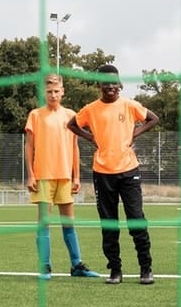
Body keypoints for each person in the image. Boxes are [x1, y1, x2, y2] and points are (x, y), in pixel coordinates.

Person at [68, 65, 159, 285]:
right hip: (102, 173)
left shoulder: (129, 105)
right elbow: (72, 124)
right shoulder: (90, 109)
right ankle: (115, 270)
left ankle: (146, 268)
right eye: (105, 82)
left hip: (129, 171)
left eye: (113, 82)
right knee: (109, 224)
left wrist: (135, 133)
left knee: (136, 219)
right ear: (99, 84)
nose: (110, 86)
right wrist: (90, 137)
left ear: (119, 84)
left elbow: (153, 118)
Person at [24, 74, 100, 280]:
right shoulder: (35, 115)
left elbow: (75, 147)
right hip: (43, 176)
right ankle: (45, 266)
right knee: (44, 223)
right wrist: (30, 175)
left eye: (56, 91)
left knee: (69, 223)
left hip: (65, 176)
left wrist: (77, 177)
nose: (53, 95)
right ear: (44, 92)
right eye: (49, 91)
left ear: (63, 92)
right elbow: (29, 146)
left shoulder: (71, 116)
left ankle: (77, 265)